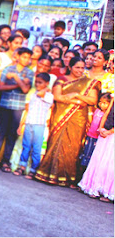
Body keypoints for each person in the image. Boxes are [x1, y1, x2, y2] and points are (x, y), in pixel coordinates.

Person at [35, 57, 100, 187]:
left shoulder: (89, 82)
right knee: (55, 143)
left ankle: (67, 177)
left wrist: (76, 95)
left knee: (73, 147)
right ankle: (48, 173)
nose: (80, 70)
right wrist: (78, 101)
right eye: (77, 67)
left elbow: (93, 100)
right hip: (60, 115)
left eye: (82, 68)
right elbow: (57, 97)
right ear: (70, 67)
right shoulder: (62, 80)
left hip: (78, 119)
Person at [0, 47, 34, 172]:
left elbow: (25, 90)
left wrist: (15, 78)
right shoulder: (8, 69)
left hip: (18, 108)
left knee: (11, 134)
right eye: (24, 57)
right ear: (18, 57)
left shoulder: (29, 73)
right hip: (5, 104)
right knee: (0, 133)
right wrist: (19, 84)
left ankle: (6, 161)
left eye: (28, 58)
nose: (26, 60)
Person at [13, 73, 54, 179]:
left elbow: (42, 94)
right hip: (29, 123)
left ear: (47, 84)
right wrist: (21, 124)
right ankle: (22, 166)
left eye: (40, 82)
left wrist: (46, 89)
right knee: (26, 146)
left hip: (39, 125)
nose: (37, 84)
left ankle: (33, 170)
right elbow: (27, 111)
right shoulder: (33, 94)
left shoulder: (49, 96)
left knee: (36, 148)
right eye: (36, 82)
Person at [78, 97, 114, 202]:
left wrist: (110, 131)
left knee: (110, 162)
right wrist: (101, 128)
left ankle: (107, 192)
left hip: (111, 135)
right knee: (98, 159)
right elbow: (106, 114)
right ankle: (92, 186)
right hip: (104, 134)